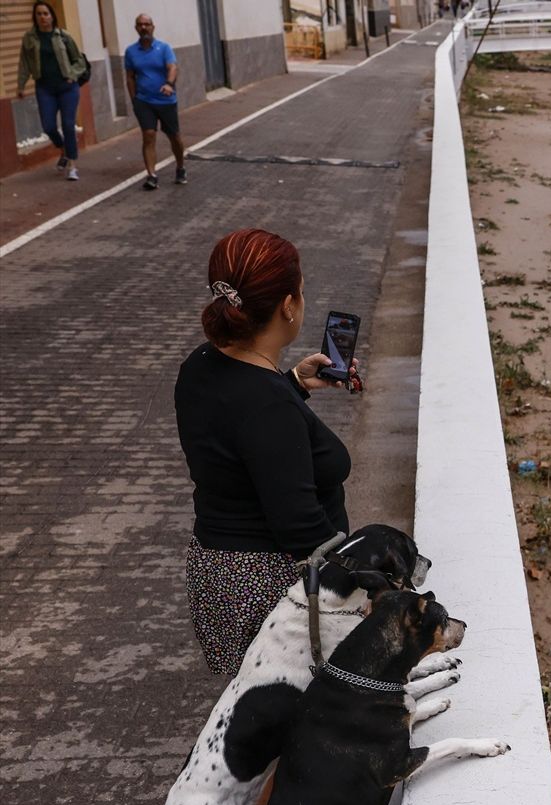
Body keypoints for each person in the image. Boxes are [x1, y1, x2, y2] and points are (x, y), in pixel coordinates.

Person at [175, 228, 358, 681]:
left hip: (220, 576)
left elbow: (237, 434)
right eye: (301, 289)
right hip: (270, 586)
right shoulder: (267, 404)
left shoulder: (199, 365)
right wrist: (367, 579)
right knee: (299, 719)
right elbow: (299, 527)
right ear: (288, 305)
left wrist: (293, 382)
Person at [14, 1, 89, 181]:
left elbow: (79, 61)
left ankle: (72, 164)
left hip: (67, 87)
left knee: (68, 125)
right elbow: (24, 63)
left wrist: (72, 74)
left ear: (52, 16)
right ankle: (63, 148)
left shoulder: (63, 36)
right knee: (48, 126)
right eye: (39, 14)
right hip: (45, 88)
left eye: (46, 13)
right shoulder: (29, 38)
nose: (43, 17)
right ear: (35, 17)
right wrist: (21, 85)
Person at [125, 13, 185, 190]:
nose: (144, 27)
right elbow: (129, 77)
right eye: (140, 24)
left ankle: (180, 167)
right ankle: (151, 175)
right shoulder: (131, 51)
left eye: (147, 24)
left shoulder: (164, 48)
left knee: (174, 136)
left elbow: (173, 67)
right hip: (144, 101)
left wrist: (169, 84)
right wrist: (134, 99)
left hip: (166, 101)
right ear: (136, 28)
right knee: (148, 135)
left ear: (153, 27)